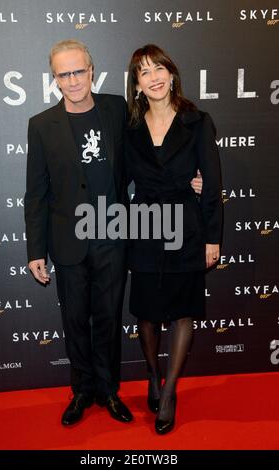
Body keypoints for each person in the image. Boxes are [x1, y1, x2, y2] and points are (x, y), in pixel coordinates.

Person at [24, 39, 133, 426]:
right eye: (63, 74)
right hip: (68, 241)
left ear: (91, 70)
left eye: (78, 71)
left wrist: (191, 174)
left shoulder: (117, 109)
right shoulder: (41, 125)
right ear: (54, 78)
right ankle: (82, 390)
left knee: (108, 316)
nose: (72, 80)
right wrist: (35, 250)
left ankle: (108, 389)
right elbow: (35, 193)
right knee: (74, 319)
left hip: (113, 235)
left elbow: (144, 156)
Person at [126, 44, 222, 434]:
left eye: (159, 68)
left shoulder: (197, 121)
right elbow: (117, 183)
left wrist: (212, 238)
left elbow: (212, 183)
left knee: (183, 312)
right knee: (146, 314)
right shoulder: (129, 129)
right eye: (144, 72)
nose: (154, 77)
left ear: (172, 73)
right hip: (145, 226)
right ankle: (152, 374)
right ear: (137, 84)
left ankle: (169, 394)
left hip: (187, 226)